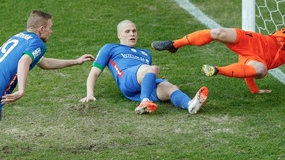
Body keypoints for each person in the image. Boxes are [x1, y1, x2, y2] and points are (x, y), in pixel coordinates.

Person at [152, 18, 285, 94]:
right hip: (262, 58)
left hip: (257, 41)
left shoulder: (280, 32)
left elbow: (246, 69)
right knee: (260, 70)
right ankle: (218, 70)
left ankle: (175, 44)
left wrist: (255, 91)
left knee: (217, 32)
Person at [79, 20, 208, 115]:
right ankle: (144, 101)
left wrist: (154, 78)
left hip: (141, 82)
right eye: (127, 31)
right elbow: (94, 73)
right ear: (119, 35)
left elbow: (147, 74)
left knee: (171, 87)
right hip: (126, 78)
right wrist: (89, 94)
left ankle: (190, 105)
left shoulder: (145, 53)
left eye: (134, 31)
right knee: (152, 69)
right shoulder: (110, 48)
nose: (132, 34)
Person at [0, 10, 95, 121]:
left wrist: (76, 61)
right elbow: (24, 61)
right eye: (50, 28)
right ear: (41, 29)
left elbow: (45, 63)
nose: (51, 31)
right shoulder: (37, 43)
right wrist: (21, 91)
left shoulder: (18, 37)